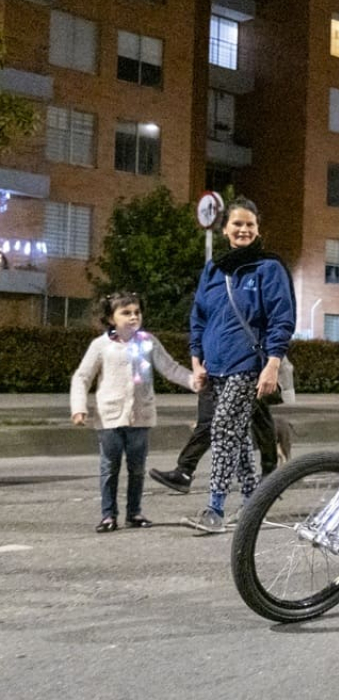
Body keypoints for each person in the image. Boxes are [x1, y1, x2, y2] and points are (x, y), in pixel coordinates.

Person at [181, 198, 296, 534]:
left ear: (258, 229)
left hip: (248, 364)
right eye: (237, 224)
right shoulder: (214, 269)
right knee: (235, 435)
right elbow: (199, 317)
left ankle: (214, 510)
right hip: (214, 367)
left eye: (250, 224)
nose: (244, 230)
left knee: (222, 430)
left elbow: (281, 319)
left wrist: (272, 364)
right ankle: (252, 503)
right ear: (226, 229)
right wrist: (196, 361)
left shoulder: (269, 268)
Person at [70, 292, 198, 532]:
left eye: (137, 312)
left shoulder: (147, 342)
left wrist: (194, 382)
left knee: (137, 469)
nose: (133, 317)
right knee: (109, 467)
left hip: (140, 416)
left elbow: (170, 368)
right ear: (110, 318)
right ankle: (108, 515)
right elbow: (82, 377)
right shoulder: (101, 346)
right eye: (126, 313)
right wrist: (79, 407)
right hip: (109, 417)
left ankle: (134, 513)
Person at [147, 385, 278, 495]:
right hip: (214, 367)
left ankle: (269, 473)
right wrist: (198, 362)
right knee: (209, 420)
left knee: (259, 414)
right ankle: (184, 471)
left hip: (243, 367)